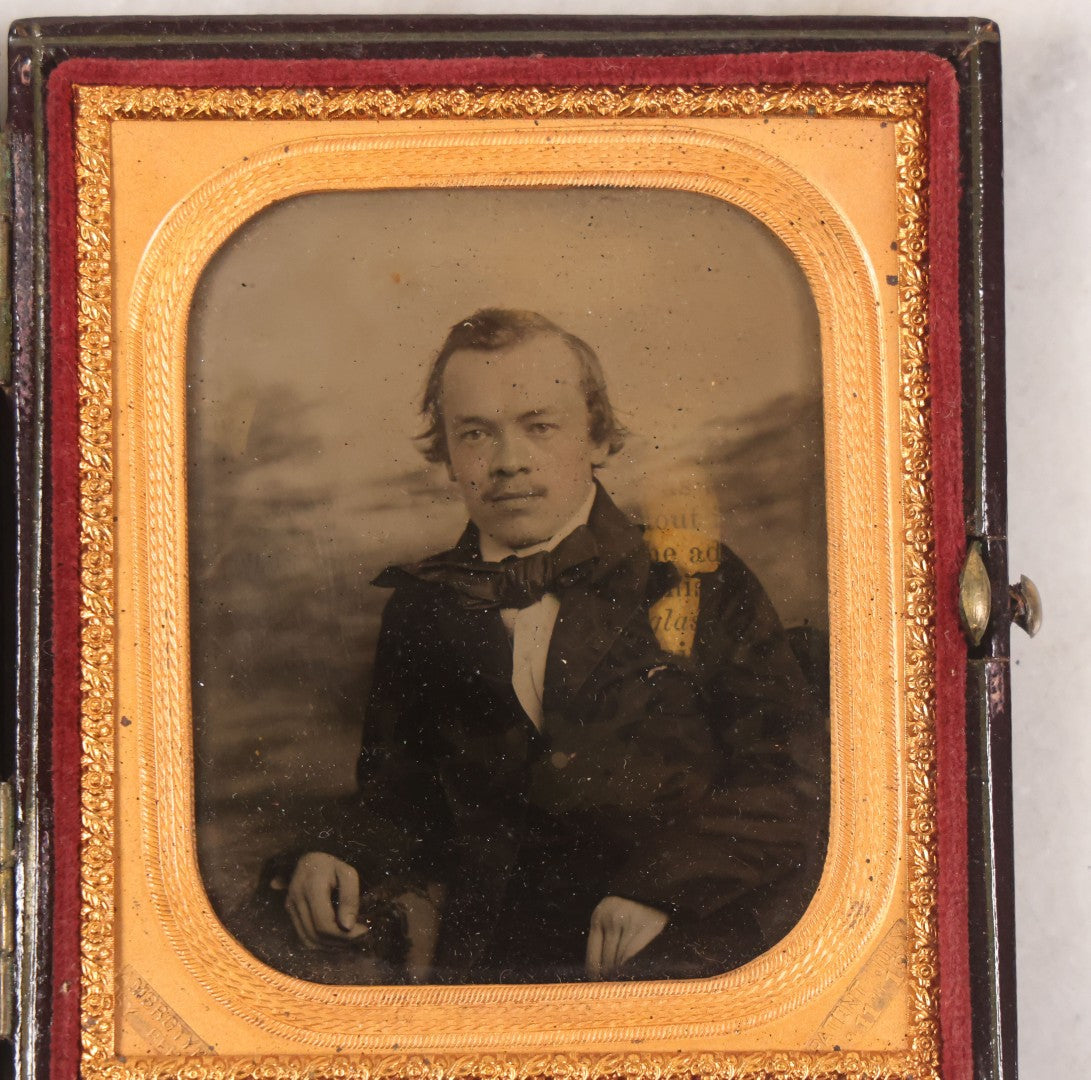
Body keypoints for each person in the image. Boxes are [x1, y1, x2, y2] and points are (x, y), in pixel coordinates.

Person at [282, 309, 826, 984]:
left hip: (682, 946)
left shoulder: (695, 577)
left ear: (596, 437)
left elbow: (790, 774)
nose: (508, 462)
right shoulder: (424, 607)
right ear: (448, 457)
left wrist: (664, 888)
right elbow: (401, 797)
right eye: (475, 434)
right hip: (490, 966)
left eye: (540, 426)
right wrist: (341, 854)